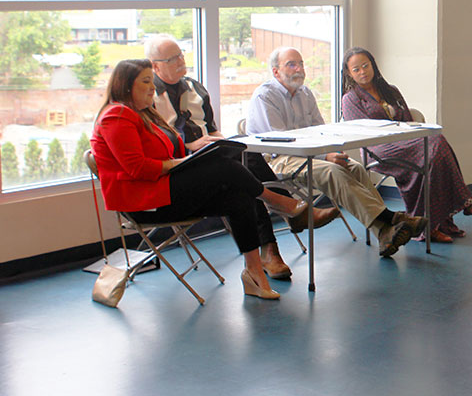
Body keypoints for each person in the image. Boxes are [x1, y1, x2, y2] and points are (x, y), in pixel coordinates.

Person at [90, 59, 316, 300]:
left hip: (164, 190)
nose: (152, 87)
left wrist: (187, 159)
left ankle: (254, 274)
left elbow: (169, 153)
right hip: (144, 203)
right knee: (223, 166)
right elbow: (137, 168)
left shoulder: (145, 114)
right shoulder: (116, 116)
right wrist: (180, 164)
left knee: (238, 195)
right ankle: (280, 202)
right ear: (125, 85)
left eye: (151, 82)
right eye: (145, 81)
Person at [145, 34, 338, 282]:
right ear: (155, 65)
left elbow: (211, 127)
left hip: (209, 155)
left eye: (181, 54)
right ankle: (285, 216)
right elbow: (157, 144)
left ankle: (272, 246)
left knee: (245, 156)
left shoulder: (196, 88)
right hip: (181, 163)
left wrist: (220, 141)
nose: (181, 61)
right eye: (172, 59)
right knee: (239, 172)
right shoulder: (147, 96)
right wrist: (191, 145)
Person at [246, 47, 425, 258]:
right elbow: (282, 143)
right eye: (291, 64)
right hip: (277, 159)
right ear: (276, 72)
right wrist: (325, 157)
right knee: (334, 172)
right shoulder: (265, 96)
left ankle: (385, 232)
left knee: (354, 167)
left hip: (308, 155)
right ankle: (390, 218)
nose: (299, 69)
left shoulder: (305, 93)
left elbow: (321, 131)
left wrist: (333, 153)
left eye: (301, 63)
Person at [339, 47, 472, 243]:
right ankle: (465, 203)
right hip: (379, 149)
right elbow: (365, 133)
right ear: (349, 73)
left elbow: (408, 119)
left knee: (434, 150)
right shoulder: (350, 99)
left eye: (365, 66)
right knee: (434, 146)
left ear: (373, 65)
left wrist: (403, 132)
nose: (363, 72)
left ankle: (430, 226)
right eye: (356, 69)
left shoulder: (390, 90)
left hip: (406, 141)